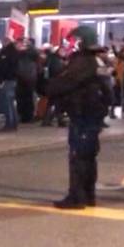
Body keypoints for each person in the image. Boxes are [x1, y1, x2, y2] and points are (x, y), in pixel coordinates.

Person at [46, 26, 114, 209]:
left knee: (78, 156)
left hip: (82, 113)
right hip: (93, 114)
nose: (70, 44)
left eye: (73, 40)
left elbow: (64, 83)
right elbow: (109, 92)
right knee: (89, 156)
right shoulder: (98, 61)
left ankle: (77, 197)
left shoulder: (82, 62)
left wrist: (47, 87)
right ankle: (88, 194)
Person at [0, 40, 19, 132]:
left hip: (8, 80)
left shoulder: (7, 53)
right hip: (13, 80)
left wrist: (1, 78)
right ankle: (14, 123)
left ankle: (9, 123)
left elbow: (4, 67)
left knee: (8, 103)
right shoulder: (15, 52)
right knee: (11, 103)